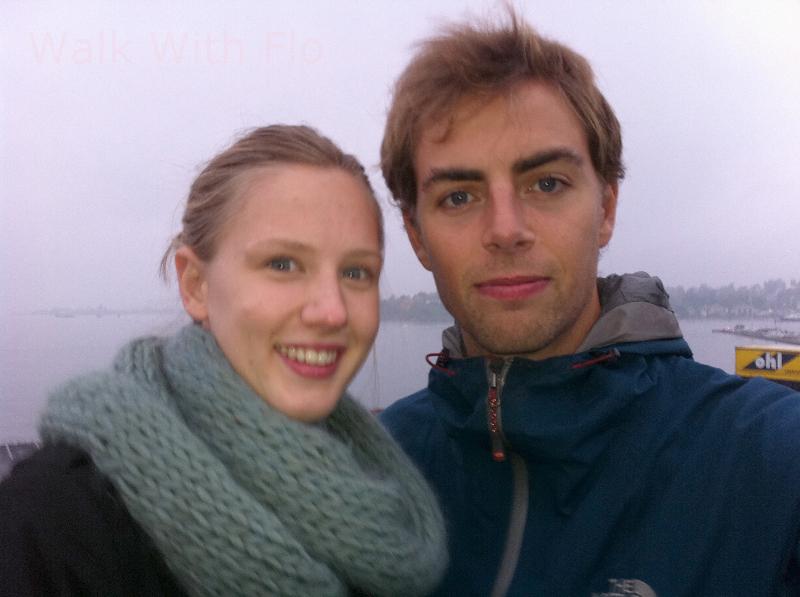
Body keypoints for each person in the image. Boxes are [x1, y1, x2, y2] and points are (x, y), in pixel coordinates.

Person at [378, 10, 800, 597]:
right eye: (458, 196)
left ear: (606, 208)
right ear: (417, 236)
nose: (506, 230)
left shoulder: (770, 462)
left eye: (546, 183)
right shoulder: (374, 472)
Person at [0, 125, 447, 596]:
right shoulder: (56, 522)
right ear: (196, 285)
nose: (332, 311)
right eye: (282, 264)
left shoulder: (386, 490)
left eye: (356, 272)